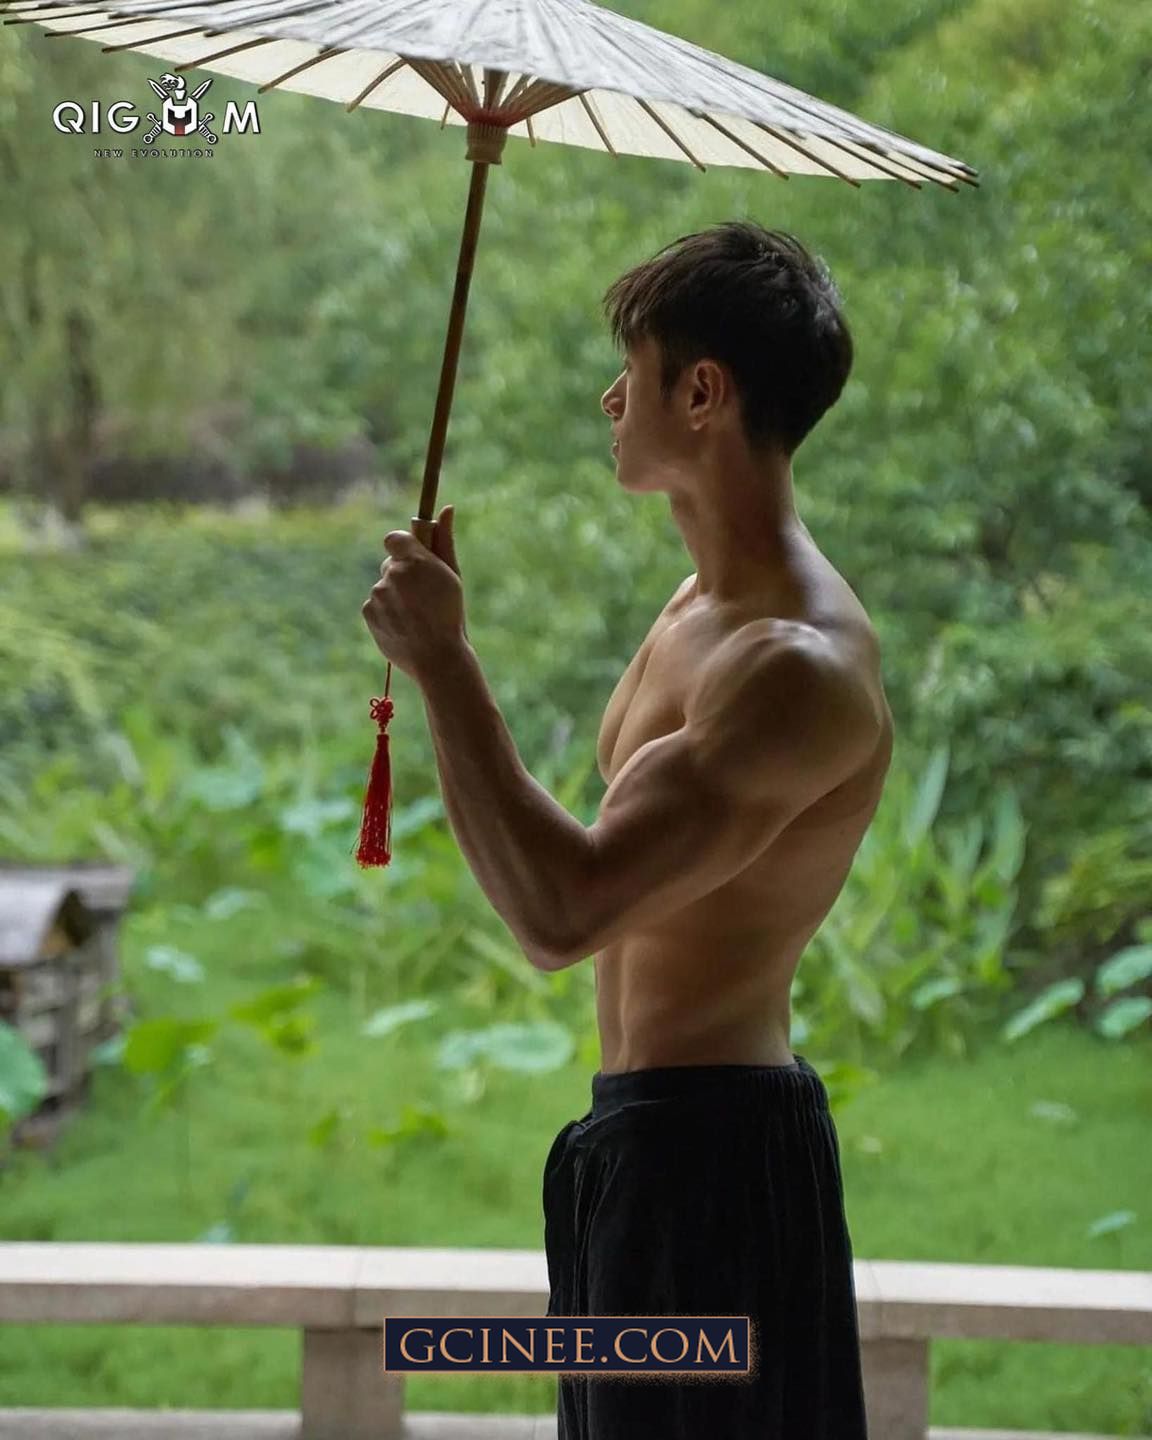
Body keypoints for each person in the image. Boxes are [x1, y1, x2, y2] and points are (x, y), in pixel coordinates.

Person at [362, 220, 894, 1439]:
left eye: (633, 370)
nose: (610, 400)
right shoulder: (690, 609)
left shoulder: (794, 669)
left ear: (701, 393)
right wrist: (442, 662)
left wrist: (445, 664)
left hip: (715, 1167)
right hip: (635, 1148)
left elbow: (565, 913)